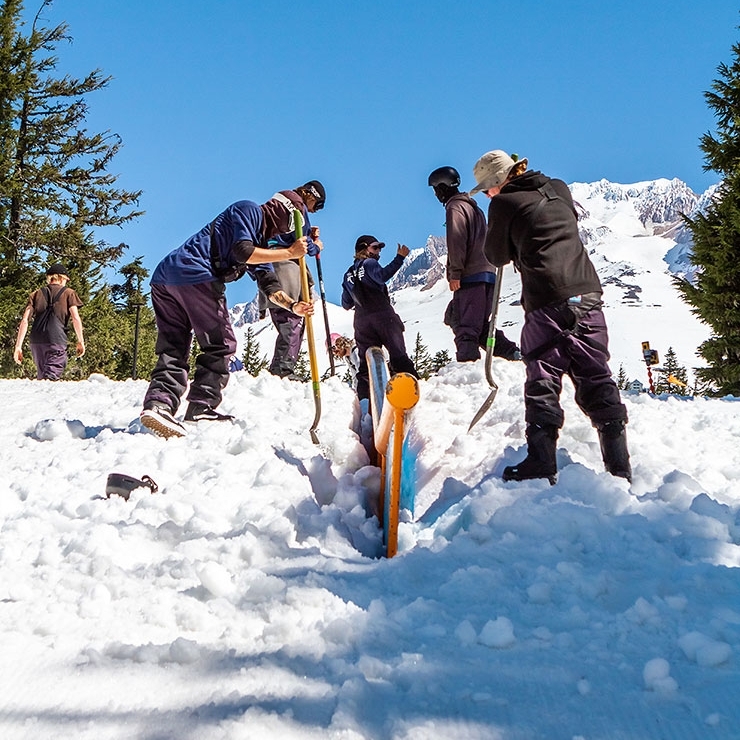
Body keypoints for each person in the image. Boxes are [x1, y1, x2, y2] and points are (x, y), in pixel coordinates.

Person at [470, 150, 631, 484]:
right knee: (596, 375)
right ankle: (619, 468)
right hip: (587, 293)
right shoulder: (559, 188)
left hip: (547, 298)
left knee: (543, 374)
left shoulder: (503, 204)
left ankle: (542, 461)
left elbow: (495, 254)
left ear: (500, 181)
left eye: (487, 188)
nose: (487, 194)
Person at [139, 194, 316, 439]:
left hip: (166, 278)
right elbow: (243, 252)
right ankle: (202, 405)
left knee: (174, 346)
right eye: (288, 225)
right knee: (221, 344)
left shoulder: (260, 245)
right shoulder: (249, 210)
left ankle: (159, 405)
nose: (285, 231)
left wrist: (293, 306)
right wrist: (289, 252)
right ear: (282, 212)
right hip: (194, 274)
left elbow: (270, 287)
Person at [427, 166, 520, 362]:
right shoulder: (474, 207)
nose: (436, 194)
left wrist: (455, 273)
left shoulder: (455, 207)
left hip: (470, 275)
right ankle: (513, 353)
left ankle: (468, 370)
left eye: (436, 189)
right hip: (488, 274)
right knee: (482, 326)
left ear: (442, 188)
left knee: (464, 326)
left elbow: (457, 241)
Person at [258, 181, 325, 379]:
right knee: (292, 319)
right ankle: (282, 370)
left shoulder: (280, 199)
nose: (315, 211)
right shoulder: (298, 207)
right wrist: (317, 245)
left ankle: (282, 368)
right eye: (317, 205)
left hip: (269, 262)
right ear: (311, 195)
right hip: (286, 265)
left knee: (286, 318)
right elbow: (303, 246)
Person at [341, 235, 417, 403]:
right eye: (375, 248)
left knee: (365, 366)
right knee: (399, 357)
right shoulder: (369, 264)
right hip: (383, 316)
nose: (379, 252)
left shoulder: (347, 275)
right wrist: (400, 258)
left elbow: (346, 303)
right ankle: (409, 396)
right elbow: (382, 276)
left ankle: (365, 404)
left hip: (361, 322)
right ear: (364, 249)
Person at [14, 262, 85, 380]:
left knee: (42, 378)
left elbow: (25, 321)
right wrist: (80, 341)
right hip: (56, 339)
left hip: (36, 341)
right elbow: (75, 318)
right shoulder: (69, 293)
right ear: (62, 278)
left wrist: (18, 346)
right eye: (66, 280)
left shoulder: (36, 294)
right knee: (51, 378)